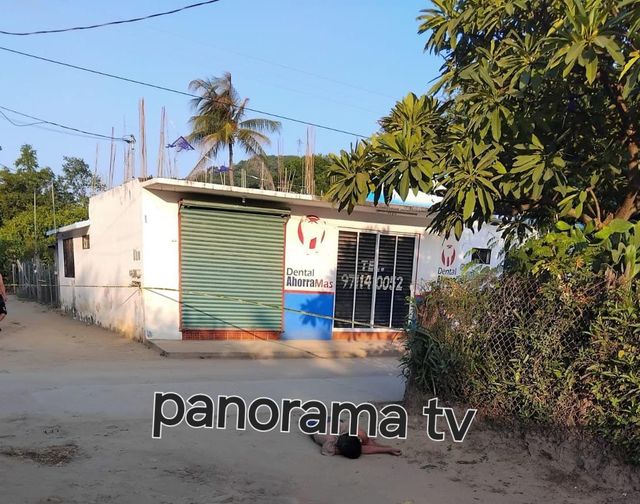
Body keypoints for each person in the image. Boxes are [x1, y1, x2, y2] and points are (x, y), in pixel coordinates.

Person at [310, 418, 402, 458]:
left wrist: (387, 448)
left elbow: (363, 445)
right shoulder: (330, 443)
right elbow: (364, 449)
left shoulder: (344, 427)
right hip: (314, 426)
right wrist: (386, 450)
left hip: (333, 421)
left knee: (360, 435)